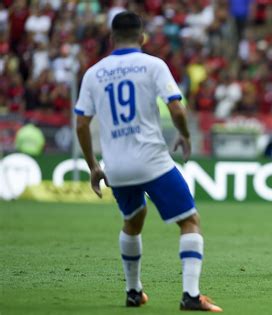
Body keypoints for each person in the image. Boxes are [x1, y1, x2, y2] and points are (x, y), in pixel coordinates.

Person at [74, 11, 222, 311]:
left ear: (112, 38)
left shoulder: (93, 73)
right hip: (152, 160)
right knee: (189, 221)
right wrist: (184, 135)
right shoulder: (153, 65)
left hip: (116, 166)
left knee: (133, 221)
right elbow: (177, 110)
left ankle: (133, 291)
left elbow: (81, 124)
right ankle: (191, 296)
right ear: (142, 37)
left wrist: (93, 166)